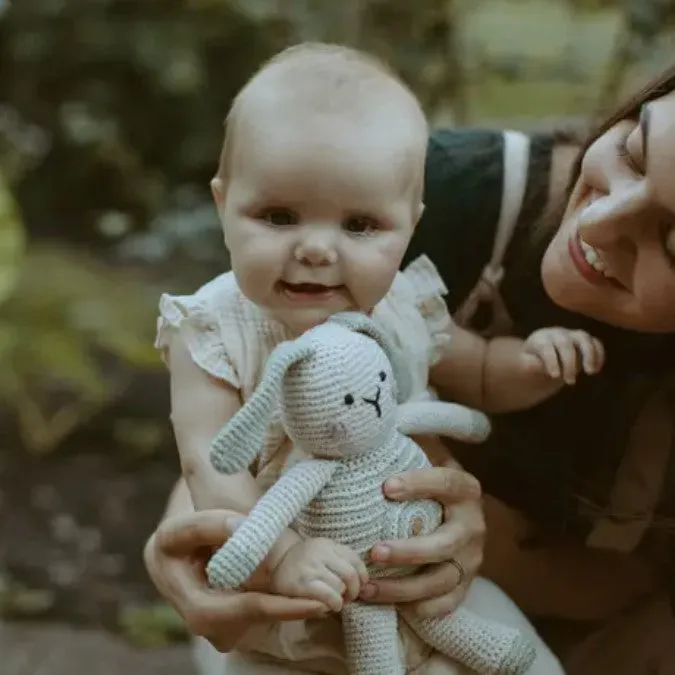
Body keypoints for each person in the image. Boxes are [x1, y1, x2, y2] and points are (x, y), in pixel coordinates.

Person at [145, 51, 675, 673]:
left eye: (360, 226)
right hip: (295, 587)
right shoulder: (218, 322)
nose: (317, 248)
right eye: (278, 217)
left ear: (407, 225)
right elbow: (211, 457)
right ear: (222, 204)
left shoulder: (398, 299)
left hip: (429, 578)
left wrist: (533, 364)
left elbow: (476, 370)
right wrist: (278, 554)